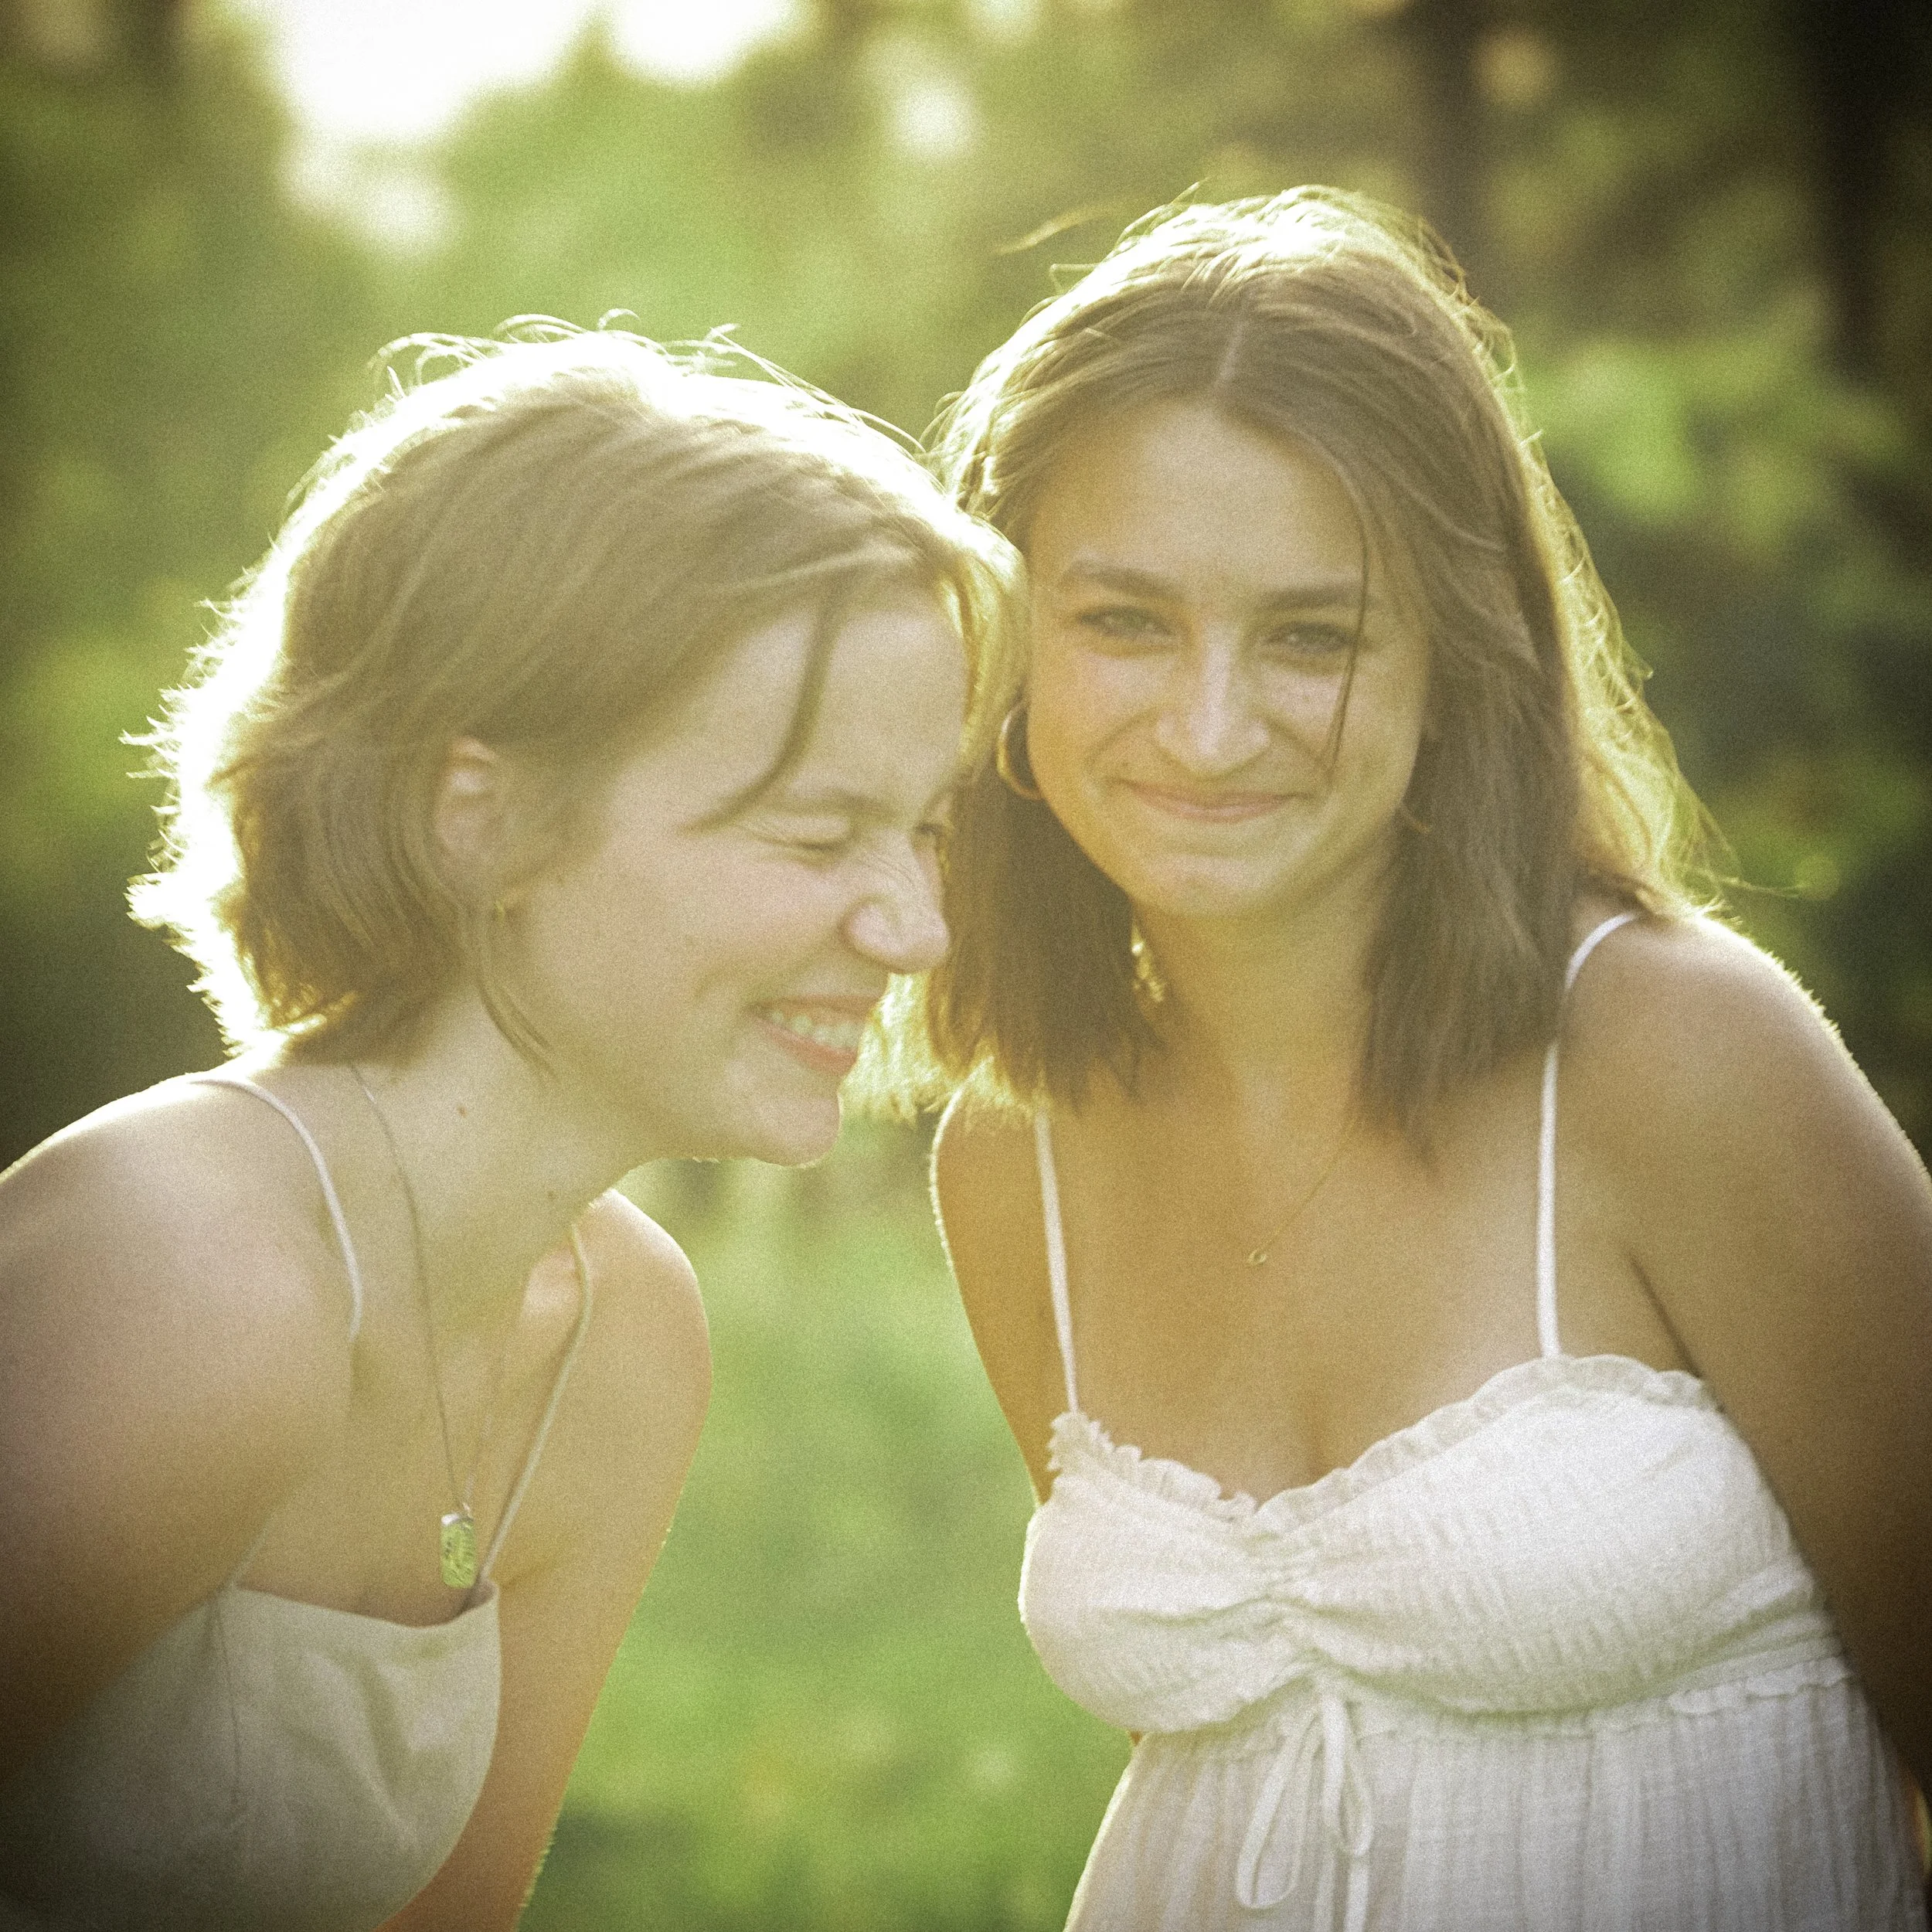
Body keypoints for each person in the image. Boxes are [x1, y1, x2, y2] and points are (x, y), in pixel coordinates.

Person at [908, 191, 1932, 1929]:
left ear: (1453, 658)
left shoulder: (1672, 1054)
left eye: (1309, 633)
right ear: (1000, 648)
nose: (1208, 725)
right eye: (1123, 622)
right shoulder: (1014, 1157)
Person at [0, 326, 1015, 1932]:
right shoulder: (190, 1274)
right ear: (481, 818)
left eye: (922, 831)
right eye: (819, 831)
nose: (911, 929)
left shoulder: (621, 1338)